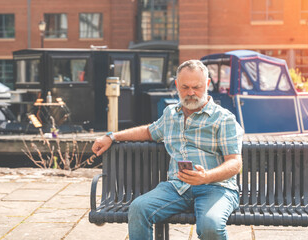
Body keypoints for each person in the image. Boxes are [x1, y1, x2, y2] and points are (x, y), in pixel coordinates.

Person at [92, 60, 244, 240]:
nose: (191, 93)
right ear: (177, 85)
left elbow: (235, 162)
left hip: (216, 187)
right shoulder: (171, 114)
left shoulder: (223, 118)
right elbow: (149, 132)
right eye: (185, 87)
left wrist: (206, 176)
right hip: (176, 187)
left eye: (197, 87)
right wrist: (112, 137)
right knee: (138, 208)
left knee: (210, 226)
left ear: (208, 84)